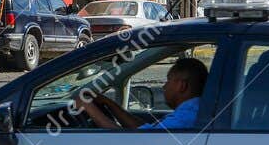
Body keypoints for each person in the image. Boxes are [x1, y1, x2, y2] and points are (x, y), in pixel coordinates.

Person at [80, 56, 208, 132]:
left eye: (168, 80)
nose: (164, 86)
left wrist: (88, 107)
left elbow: (129, 140)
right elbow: (144, 131)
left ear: (181, 86)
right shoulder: (195, 111)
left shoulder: (185, 119)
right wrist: (110, 104)